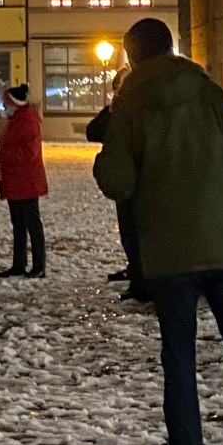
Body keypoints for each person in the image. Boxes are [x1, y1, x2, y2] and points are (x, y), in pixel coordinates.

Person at [94, 17, 223, 445]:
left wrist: (110, 166)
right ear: (172, 47)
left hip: (166, 247)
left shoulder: (130, 106)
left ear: (132, 56)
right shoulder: (207, 92)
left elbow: (117, 180)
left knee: (178, 349)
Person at [88, 69, 149, 301]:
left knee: (138, 233)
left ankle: (142, 280)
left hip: (139, 182)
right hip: (126, 181)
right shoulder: (118, 112)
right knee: (129, 232)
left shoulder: (137, 112)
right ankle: (136, 273)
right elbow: (93, 131)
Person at [0, 84, 48, 277]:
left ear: (15, 103)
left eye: (6, 103)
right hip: (16, 180)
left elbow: (29, 152)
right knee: (19, 225)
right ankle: (19, 264)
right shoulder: (17, 120)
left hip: (26, 181)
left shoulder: (28, 120)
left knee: (32, 224)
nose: (4, 106)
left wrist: (2, 156)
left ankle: (38, 266)